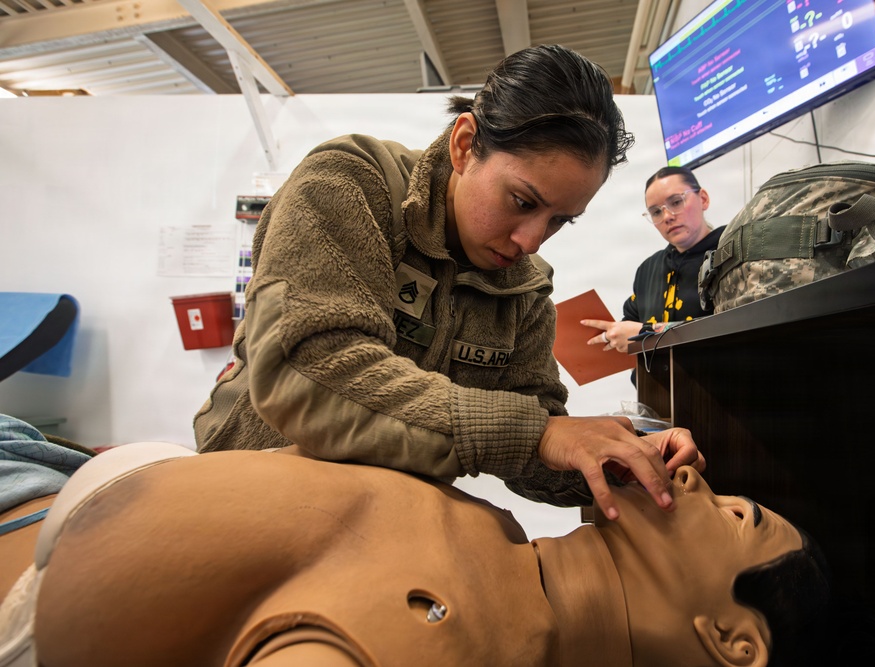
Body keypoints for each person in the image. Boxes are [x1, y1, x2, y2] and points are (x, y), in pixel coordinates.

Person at [192, 44, 703, 522]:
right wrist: (537, 433)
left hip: (383, 520)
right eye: (523, 202)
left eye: (558, 221)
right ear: (464, 145)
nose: (532, 240)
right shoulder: (348, 185)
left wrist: (620, 454)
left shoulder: (523, 288)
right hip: (250, 505)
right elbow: (309, 377)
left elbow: (538, 438)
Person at [9, 441, 830, 667]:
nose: (690, 471)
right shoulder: (509, 561)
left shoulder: (477, 635)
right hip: (63, 468)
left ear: (732, 640)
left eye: (736, 514)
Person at [583, 166, 723, 358]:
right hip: (655, 386)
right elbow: (630, 325)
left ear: (703, 199)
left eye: (676, 202)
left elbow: (740, 324)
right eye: (656, 212)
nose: (667, 217)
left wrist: (646, 333)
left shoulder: (730, 250)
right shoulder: (648, 269)